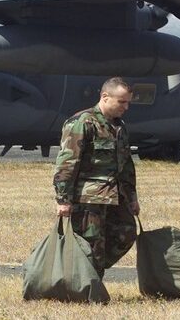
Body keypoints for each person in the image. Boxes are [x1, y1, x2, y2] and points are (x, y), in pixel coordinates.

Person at [53, 76, 139, 278]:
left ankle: (89, 273)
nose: (126, 107)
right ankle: (87, 285)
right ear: (105, 97)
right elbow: (67, 163)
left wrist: (132, 197)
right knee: (91, 245)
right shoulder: (82, 122)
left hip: (116, 197)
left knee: (126, 234)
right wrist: (63, 200)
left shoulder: (119, 126)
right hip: (88, 199)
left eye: (128, 102)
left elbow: (126, 165)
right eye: (122, 102)